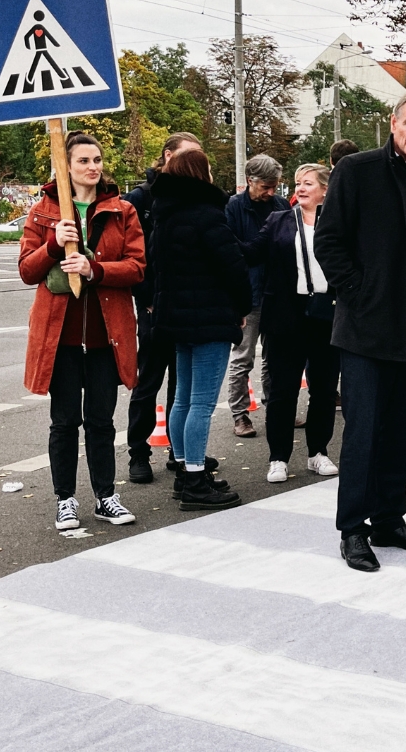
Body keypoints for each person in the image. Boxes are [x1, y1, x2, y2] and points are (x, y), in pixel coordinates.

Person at [315, 89, 406, 572]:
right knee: (364, 432)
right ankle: (353, 529)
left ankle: (390, 520)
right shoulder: (358, 170)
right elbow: (329, 242)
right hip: (367, 329)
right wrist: (359, 292)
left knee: (401, 431)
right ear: (392, 123)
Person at [19, 131, 145, 530]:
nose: (93, 167)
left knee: (102, 421)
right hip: (61, 338)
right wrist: (55, 245)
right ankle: (65, 499)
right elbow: (27, 270)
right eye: (83, 161)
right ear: (65, 166)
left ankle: (105, 496)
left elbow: (138, 267)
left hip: (107, 336)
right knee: (64, 421)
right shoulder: (43, 211)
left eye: (97, 160)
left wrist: (97, 270)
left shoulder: (121, 210)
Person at [150, 148, 252, 511]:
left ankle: (182, 468)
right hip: (210, 318)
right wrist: (240, 308)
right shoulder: (208, 215)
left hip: (177, 319)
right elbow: (233, 266)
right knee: (203, 404)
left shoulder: (164, 215)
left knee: (182, 398)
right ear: (199, 174)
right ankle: (195, 478)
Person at [243, 163, 342, 482]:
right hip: (286, 314)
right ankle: (278, 458)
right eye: (297, 183)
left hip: (327, 313)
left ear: (325, 189)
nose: (299, 188)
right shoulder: (279, 220)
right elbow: (251, 254)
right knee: (283, 390)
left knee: (324, 389)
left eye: (308, 183)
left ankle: (318, 452)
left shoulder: (339, 222)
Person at [123, 132, 201, 482]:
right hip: (156, 307)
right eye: (187, 156)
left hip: (185, 306)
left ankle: (177, 449)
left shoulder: (192, 197)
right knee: (149, 381)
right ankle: (138, 452)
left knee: (181, 383)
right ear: (167, 156)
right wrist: (148, 299)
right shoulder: (140, 199)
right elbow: (135, 258)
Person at [226, 154, 290, 438]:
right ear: (250, 181)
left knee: (274, 357)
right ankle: (240, 414)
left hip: (276, 290)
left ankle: (274, 406)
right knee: (243, 357)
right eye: (266, 186)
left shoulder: (280, 204)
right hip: (248, 292)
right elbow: (230, 245)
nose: (271, 192)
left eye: (274, 186)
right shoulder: (234, 206)